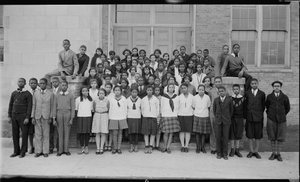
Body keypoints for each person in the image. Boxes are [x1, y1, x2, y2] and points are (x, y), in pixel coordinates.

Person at [265, 81, 290, 162]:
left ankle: (278, 154)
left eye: (278, 86)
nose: (276, 87)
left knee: (280, 136)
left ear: (280, 87)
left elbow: (287, 108)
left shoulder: (285, 97)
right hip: (271, 118)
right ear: (273, 87)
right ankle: (273, 153)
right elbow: (267, 107)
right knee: (272, 136)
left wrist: (281, 114)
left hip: (281, 119)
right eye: (275, 86)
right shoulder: (269, 97)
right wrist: (271, 114)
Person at [8, 78, 32, 158]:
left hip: (23, 116)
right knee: (15, 134)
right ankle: (16, 151)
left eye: (22, 82)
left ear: (25, 83)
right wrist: (9, 116)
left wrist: (27, 117)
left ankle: (23, 151)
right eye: (19, 81)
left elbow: (29, 106)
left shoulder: (27, 94)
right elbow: (10, 105)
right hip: (14, 115)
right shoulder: (14, 93)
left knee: (24, 133)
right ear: (17, 83)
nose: (20, 83)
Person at [31, 78, 54, 158]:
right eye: (40, 83)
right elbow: (34, 105)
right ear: (39, 84)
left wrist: (51, 116)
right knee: (37, 134)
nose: (42, 85)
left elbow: (52, 106)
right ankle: (38, 151)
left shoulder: (50, 94)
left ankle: (45, 151)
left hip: (46, 116)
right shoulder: (36, 93)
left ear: (46, 84)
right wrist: (32, 116)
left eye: (43, 83)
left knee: (46, 134)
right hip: (37, 115)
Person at [52, 80, 75, 156]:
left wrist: (71, 118)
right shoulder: (57, 95)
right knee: (60, 133)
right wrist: (54, 118)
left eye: (65, 85)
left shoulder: (71, 95)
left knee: (67, 133)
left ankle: (66, 150)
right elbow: (54, 107)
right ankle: (60, 151)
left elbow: (72, 107)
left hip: (67, 114)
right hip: (59, 114)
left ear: (67, 86)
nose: (64, 86)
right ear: (60, 86)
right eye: (62, 85)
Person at [244, 78, 266, 159]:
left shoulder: (262, 94)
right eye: (252, 83)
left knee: (258, 135)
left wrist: (258, 113)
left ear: (257, 84)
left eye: (255, 83)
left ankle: (256, 151)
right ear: (250, 84)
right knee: (250, 134)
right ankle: (251, 151)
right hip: (249, 117)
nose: (254, 85)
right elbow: (245, 105)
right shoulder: (247, 93)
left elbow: (263, 105)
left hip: (258, 117)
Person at [213, 86, 233, 160]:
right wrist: (217, 117)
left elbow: (231, 111)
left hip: (226, 121)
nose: (221, 92)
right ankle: (219, 153)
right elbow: (214, 110)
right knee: (218, 137)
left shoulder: (229, 100)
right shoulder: (216, 100)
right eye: (220, 91)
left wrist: (227, 117)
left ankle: (225, 154)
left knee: (225, 137)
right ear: (218, 92)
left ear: (225, 91)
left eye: (222, 91)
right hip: (218, 121)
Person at [160, 84, 180, 154]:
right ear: (167, 88)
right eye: (170, 87)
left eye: (172, 87)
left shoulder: (176, 97)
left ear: (174, 89)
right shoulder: (163, 97)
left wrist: (176, 114)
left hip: (173, 115)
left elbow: (177, 106)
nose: (171, 89)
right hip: (165, 115)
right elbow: (162, 106)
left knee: (171, 133)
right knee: (165, 132)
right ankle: (165, 146)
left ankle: (168, 147)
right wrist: (162, 114)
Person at [108, 86, 128, 154]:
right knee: (114, 133)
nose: (117, 91)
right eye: (115, 90)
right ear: (113, 91)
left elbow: (125, 108)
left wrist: (125, 116)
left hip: (122, 117)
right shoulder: (111, 99)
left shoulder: (124, 99)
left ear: (121, 91)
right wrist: (110, 117)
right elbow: (110, 109)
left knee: (120, 133)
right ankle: (115, 148)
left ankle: (119, 148)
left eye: (118, 90)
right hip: (113, 117)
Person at [193, 84, 211, 154]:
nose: (201, 91)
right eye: (200, 90)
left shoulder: (207, 97)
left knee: (203, 133)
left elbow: (208, 106)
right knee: (197, 133)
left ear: (204, 90)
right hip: (197, 115)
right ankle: (198, 147)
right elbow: (193, 106)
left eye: (202, 90)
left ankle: (202, 147)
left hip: (205, 116)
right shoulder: (195, 98)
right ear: (198, 90)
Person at [141, 86, 160, 154]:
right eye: (148, 90)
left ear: (153, 91)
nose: (149, 91)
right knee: (146, 132)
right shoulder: (143, 99)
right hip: (146, 117)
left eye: (151, 90)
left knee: (153, 132)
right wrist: (145, 115)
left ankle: (150, 146)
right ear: (146, 91)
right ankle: (146, 146)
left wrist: (155, 115)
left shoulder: (155, 99)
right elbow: (142, 109)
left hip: (153, 117)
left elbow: (157, 109)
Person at [229, 84, 246, 158]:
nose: (236, 90)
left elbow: (245, 109)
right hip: (232, 118)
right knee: (232, 134)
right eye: (234, 89)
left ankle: (237, 150)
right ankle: (232, 149)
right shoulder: (230, 98)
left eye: (237, 89)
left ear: (239, 90)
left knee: (238, 134)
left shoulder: (242, 99)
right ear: (232, 90)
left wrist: (244, 118)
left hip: (240, 118)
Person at [208, 76, 223, 155]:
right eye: (216, 82)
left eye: (219, 81)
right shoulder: (211, 91)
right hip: (213, 113)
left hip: (221, 114)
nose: (217, 83)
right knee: (213, 131)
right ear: (214, 83)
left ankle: (219, 147)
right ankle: (213, 147)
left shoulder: (224, 91)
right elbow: (210, 102)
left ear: (221, 82)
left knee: (220, 131)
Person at [75, 86, 93, 155]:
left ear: (88, 91)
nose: (85, 92)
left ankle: (86, 147)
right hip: (80, 117)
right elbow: (76, 109)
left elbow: (92, 110)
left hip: (88, 117)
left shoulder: (90, 100)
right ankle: (82, 147)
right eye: (83, 91)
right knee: (81, 133)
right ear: (81, 92)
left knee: (87, 133)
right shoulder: (78, 99)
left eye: (86, 91)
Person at [92, 88, 109, 155]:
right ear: (98, 94)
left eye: (102, 93)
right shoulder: (95, 101)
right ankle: (98, 147)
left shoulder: (107, 101)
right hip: (97, 115)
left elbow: (108, 108)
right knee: (97, 132)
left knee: (103, 132)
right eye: (100, 93)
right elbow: (94, 109)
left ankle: (102, 147)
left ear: (105, 94)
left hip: (104, 115)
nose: (101, 94)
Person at [178, 83, 194, 153]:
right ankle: (182, 145)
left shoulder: (192, 97)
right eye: (182, 88)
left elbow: (194, 106)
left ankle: (186, 146)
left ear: (187, 88)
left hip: (189, 115)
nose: (183, 89)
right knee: (181, 131)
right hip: (181, 115)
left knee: (187, 131)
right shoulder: (179, 97)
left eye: (185, 88)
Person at [127, 87, 142, 153]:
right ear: (131, 92)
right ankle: (131, 145)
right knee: (130, 132)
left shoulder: (140, 100)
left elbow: (142, 109)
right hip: (130, 117)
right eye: (133, 92)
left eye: (135, 92)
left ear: (137, 93)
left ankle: (136, 144)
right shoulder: (127, 100)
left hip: (137, 117)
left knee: (136, 132)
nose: (134, 93)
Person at [49, 77, 61, 154]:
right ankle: (51, 147)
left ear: (58, 82)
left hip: (59, 113)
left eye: (56, 82)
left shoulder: (62, 90)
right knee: (51, 132)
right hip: (51, 113)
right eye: (53, 82)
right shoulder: (49, 91)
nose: (54, 83)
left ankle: (59, 147)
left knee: (59, 132)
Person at [28, 78, 39, 154]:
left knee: (37, 132)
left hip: (37, 114)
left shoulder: (39, 92)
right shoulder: (28, 93)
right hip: (29, 114)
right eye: (31, 83)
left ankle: (37, 147)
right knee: (30, 132)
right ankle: (31, 146)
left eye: (34, 83)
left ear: (37, 83)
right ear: (29, 84)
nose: (33, 84)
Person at [104, 83, 114, 152]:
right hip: (104, 114)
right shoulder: (102, 94)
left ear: (111, 88)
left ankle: (110, 144)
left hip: (111, 114)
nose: (108, 88)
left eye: (109, 87)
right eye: (107, 87)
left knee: (110, 130)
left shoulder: (113, 95)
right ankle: (106, 144)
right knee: (104, 130)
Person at [154, 86, 163, 151]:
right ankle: (153, 144)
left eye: (158, 90)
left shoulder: (162, 98)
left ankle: (157, 145)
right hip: (152, 116)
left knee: (158, 131)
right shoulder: (152, 97)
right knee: (153, 131)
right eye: (156, 90)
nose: (157, 91)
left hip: (159, 116)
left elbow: (162, 107)